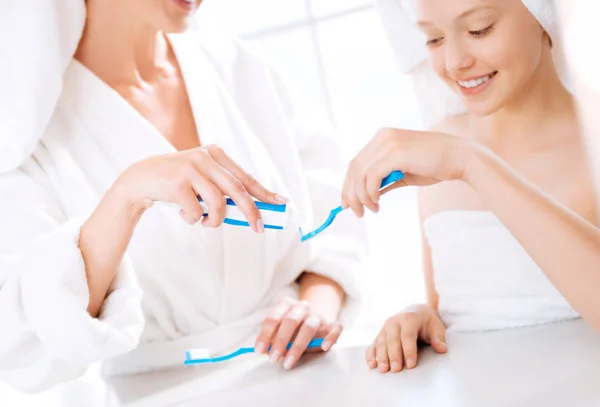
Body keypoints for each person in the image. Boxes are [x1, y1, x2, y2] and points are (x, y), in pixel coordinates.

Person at [0, 0, 364, 392]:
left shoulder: (238, 66)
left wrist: (317, 303)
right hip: (160, 393)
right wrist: (126, 197)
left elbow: (336, 213)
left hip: (311, 374)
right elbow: (27, 334)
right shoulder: (25, 131)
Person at [341, 0, 600, 374]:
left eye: (479, 29)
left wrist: (471, 163)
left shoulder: (592, 144)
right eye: (433, 38)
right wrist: (419, 316)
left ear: (545, 15)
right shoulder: (437, 149)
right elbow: (451, 310)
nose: (454, 62)